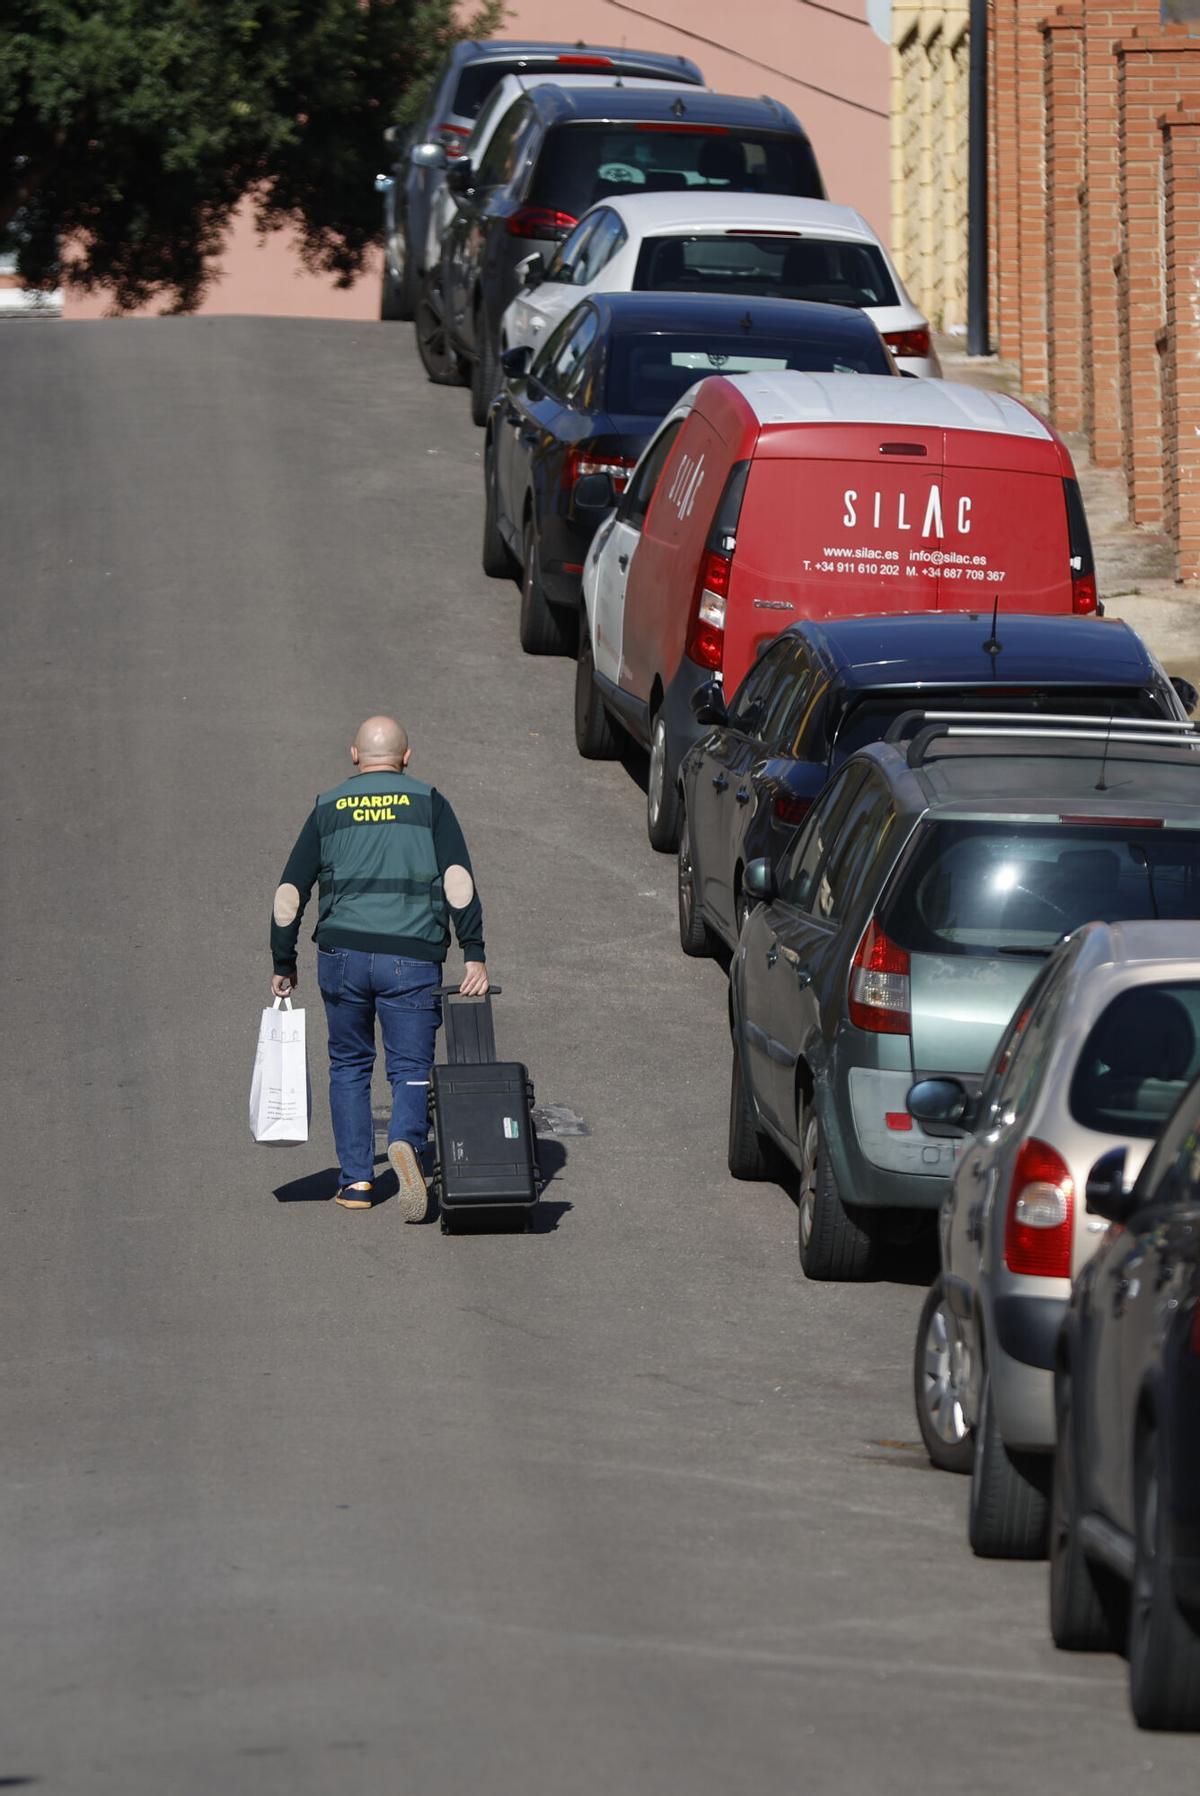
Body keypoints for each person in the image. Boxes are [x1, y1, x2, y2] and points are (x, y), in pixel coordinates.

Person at [270, 716, 488, 1216]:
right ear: (406, 757)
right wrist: (472, 950)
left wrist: (284, 959)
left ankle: (357, 1184)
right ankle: (407, 1144)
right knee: (409, 1066)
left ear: (354, 755)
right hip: (411, 957)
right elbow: (457, 879)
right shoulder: (429, 802)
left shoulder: (328, 807)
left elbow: (289, 894)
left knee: (349, 1065)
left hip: (342, 956)